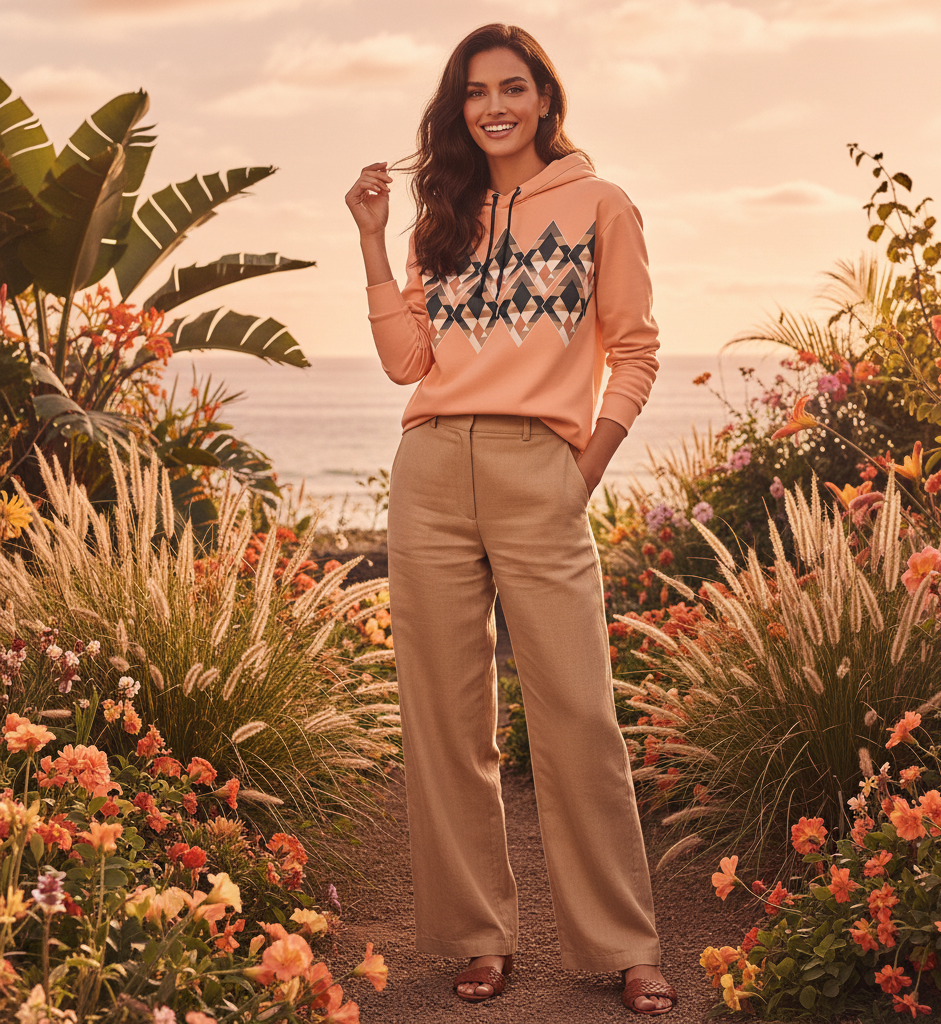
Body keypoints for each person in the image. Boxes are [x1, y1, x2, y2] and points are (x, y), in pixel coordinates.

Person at [344, 22, 677, 1017]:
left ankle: (625, 944)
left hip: (543, 469)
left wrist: (581, 473)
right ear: (458, 110)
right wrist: (370, 236)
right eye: (476, 92)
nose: (494, 106)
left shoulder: (600, 204)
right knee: (447, 721)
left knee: (578, 712)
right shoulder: (438, 216)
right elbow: (408, 364)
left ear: (543, 98)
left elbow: (638, 350)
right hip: (432, 470)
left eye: (512, 88)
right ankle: (476, 935)